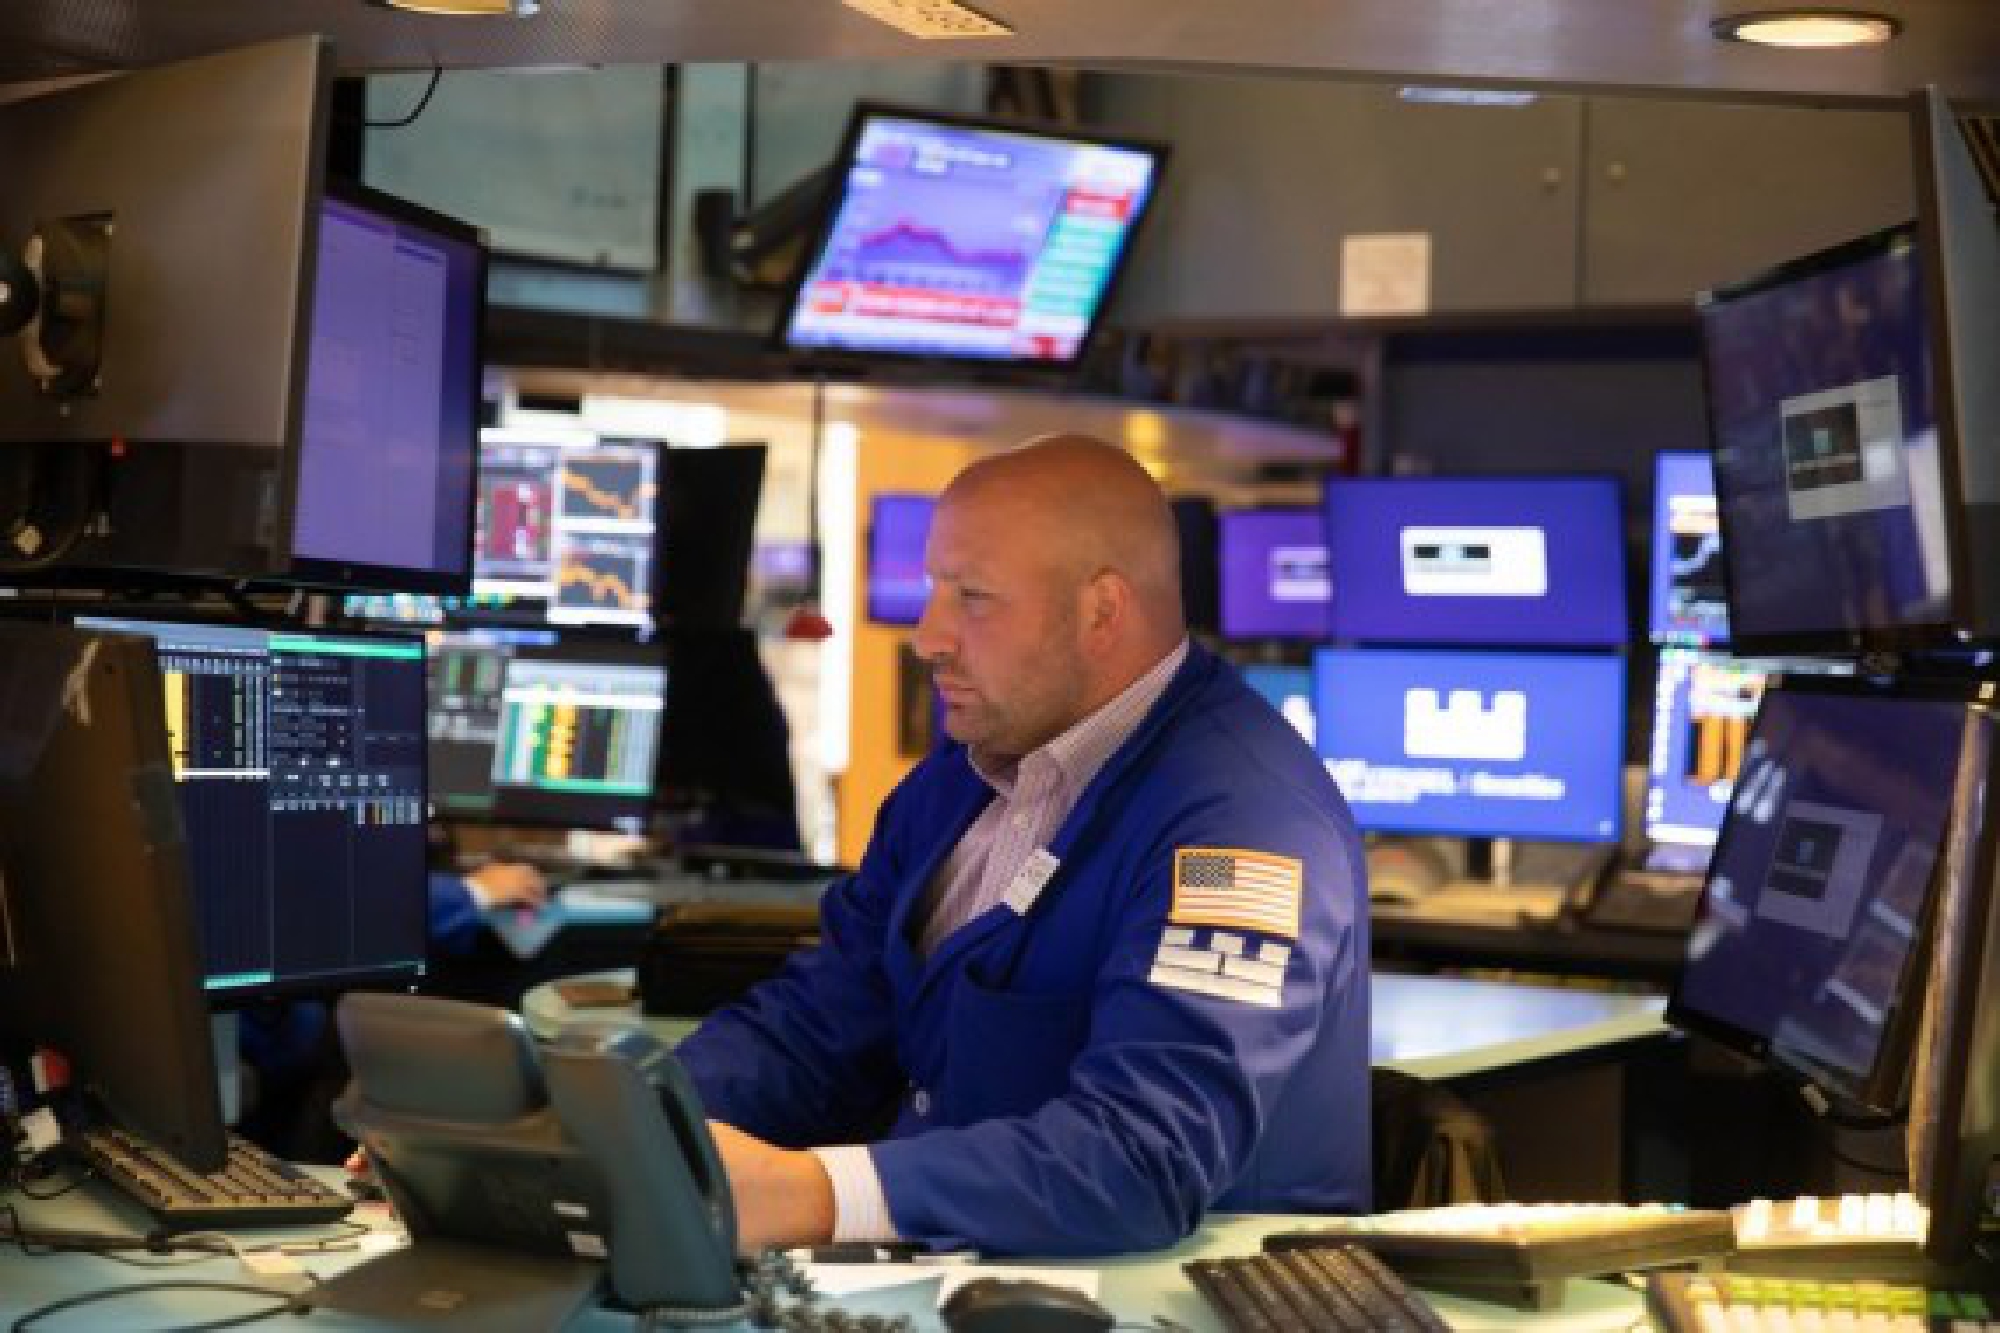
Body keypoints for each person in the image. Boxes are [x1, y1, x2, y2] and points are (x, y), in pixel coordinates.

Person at [675, 435, 1370, 1256]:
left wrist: (815, 1194)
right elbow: (820, 1026)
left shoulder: (1244, 825)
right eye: (934, 587)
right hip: (956, 1283)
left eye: (972, 598)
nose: (928, 634)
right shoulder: (958, 781)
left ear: (1101, 611)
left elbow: (1141, 1157)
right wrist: (649, 1121)